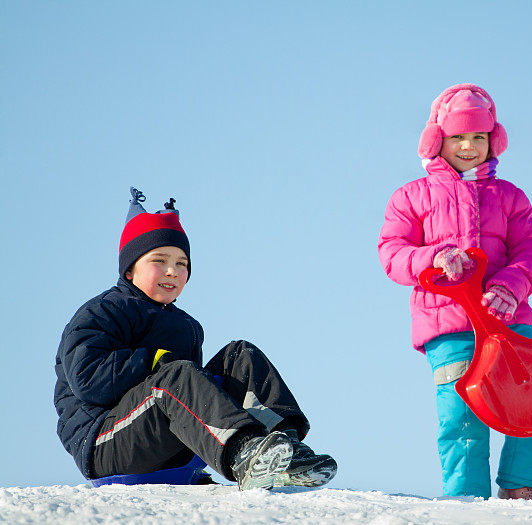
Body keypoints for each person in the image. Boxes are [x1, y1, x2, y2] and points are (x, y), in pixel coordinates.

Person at [55, 188, 337, 490]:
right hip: (105, 440)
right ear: (129, 268)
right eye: (159, 260)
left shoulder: (186, 326)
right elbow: (86, 378)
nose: (172, 271)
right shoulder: (103, 312)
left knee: (240, 356)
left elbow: (194, 399)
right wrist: (153, 361)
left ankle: (283, 450)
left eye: (181, 263)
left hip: (163, 438)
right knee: (177, 376)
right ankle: (243, 453)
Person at [378, 84, 532, 500]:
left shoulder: (509, 197)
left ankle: (521, 489)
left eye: (479, 137)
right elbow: (392, 253)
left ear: (493, 140)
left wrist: (511, 285)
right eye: (459, 137)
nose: (470, 146)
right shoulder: (412, 197)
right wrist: (433, 258)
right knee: (461, 415)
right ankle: (466, 500)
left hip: (509, 321)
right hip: (449, 323)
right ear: (439, 140)